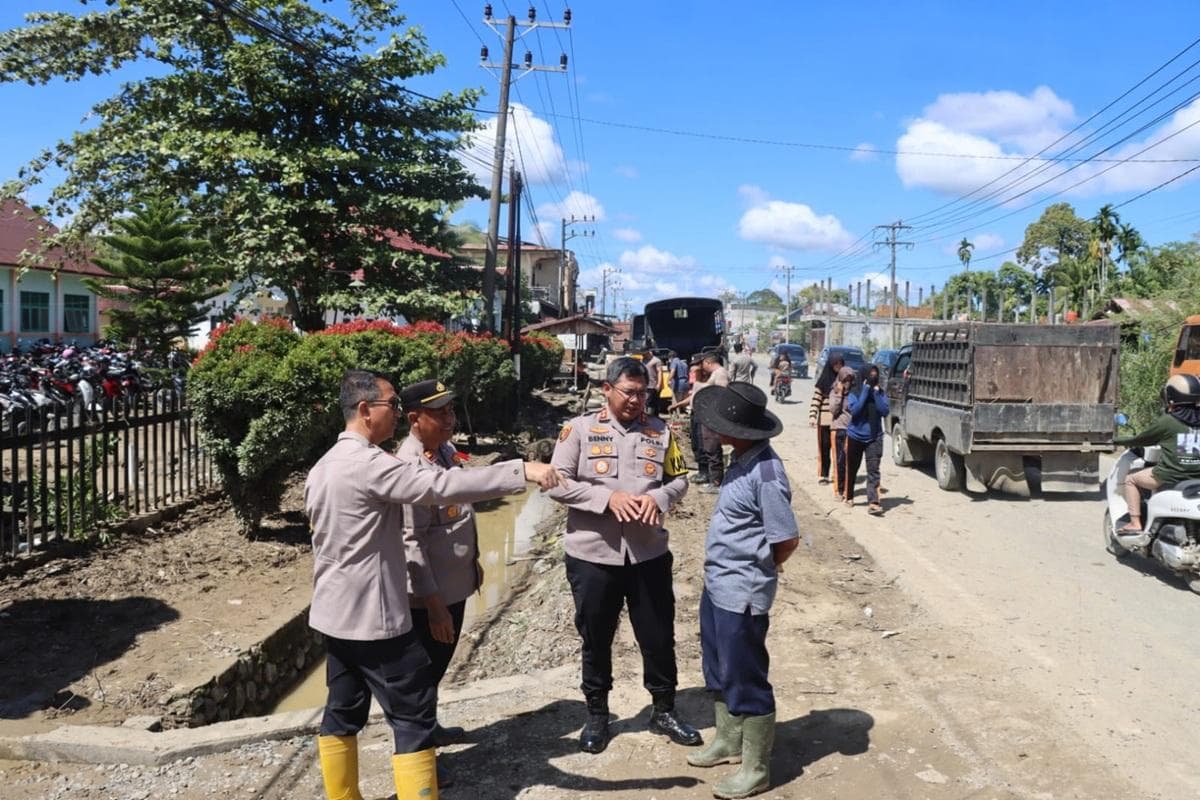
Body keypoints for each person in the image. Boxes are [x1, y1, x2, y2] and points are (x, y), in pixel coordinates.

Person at [305, 370, 560, 800]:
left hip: (333, 616)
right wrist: (522, 470)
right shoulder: (371, 465)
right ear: (365, 410)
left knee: (342, 711)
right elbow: (441, 486)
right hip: (375, 620)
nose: (396, 413)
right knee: (414, 717)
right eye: (391, 405)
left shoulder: (324, 465)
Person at [547, 357, 700, 754]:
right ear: (607, 390)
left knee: (658, 635)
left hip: (648, 554)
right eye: (629, 392)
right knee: (596, 637)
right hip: (593, 555)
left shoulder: (660, 431)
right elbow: (556, 483)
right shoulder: (578, 430)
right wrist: (607, 499)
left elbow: (680, 480)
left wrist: (659, 498)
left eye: (642, 393)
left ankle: (664, 709)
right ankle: (597, 714)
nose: (636, 400)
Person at [687, 381, 800, 799]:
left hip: (743, 591)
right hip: (718, 584)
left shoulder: (766, 473)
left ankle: (756, 769)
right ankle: (728, 741)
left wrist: (761, 569)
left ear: (739, 430)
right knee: (718, 667)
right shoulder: (740, 459)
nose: (710, 429)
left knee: (746, 676)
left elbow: (786, 538)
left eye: (717, 424)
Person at [396, 379, 479, 770]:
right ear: (415, 419)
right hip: (431, 598)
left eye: (450, 411)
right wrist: (433, 606)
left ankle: (430, 730)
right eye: (439, 413)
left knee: (435, 669)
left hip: (453, 586)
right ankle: (419, 760)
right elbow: (410, 541)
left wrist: (473, 560)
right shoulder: (409, 468)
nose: (449, 419)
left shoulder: (443, 452)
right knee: (421, 677)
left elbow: (458, 515)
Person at [1114, 373, 1200, 533]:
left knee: (1131, 479)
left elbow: (1141, 439)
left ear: (1171, 397)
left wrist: (1115, 440)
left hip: (1171, 475)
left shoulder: (1169, 421)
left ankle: (1135, 523)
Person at [670, 353, 731, 490]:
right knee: (701, 445)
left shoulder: (720, 373)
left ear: (707, 362)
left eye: (700, 365)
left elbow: (721, 394)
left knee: (711, 448)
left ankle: (715, 482)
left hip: (709, 416)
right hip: (702, 414)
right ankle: (708, 476)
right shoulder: (713, 375)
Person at [844, 364, 890, 514]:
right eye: (870, 375)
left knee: (873, 470)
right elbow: (855, 411)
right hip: (855, 436)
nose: (873, 378)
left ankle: (873, 502)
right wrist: (865, 391)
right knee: (852, 468)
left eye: (875, 375)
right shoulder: (854, 392)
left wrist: (875, 394)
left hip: (874, 437)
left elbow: (884, 411)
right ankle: (849, 495)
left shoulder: (880, 392)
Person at [809, 355, 845, 485]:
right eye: (836, 364)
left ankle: (837, 474)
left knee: (839, 451)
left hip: (839, 422)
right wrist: (813, 415)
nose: (838, 366)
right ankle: (823, 475)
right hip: (824, 421)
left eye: (840, 364)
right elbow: (816, 399)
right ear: (831, 364)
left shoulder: (844, 380)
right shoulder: (823, 381)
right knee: (824, 449)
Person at [828, 366, 856, 499]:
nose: (847, 383)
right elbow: (833, 410)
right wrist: (839, 394)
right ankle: (838, 490)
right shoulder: (834, 391)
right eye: (845, 380)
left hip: (852, 431)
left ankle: (847, 489)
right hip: (838, 429)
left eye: (850, 380)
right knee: (838, 461)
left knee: (849, 462)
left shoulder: (854, 393)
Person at [643, 348, 663, 415]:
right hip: (646, 385)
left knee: (652, 403)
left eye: (644, 353)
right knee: (647, 402)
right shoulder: (644, 360)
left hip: (653, 385)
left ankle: (653, 417)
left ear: (648, 352)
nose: (643, 355)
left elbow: (660, 372)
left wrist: (659, 384)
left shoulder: (656, 360)